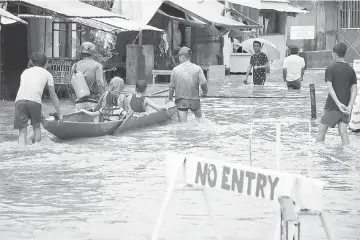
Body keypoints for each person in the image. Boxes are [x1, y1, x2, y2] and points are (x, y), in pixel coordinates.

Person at [14, 52, 63, 146]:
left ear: (31, 62)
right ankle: (37, 150)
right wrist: (59, 114)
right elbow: (53, 96)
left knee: (22, 131)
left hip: (19, 101)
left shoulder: (25, 72)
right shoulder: (47, 74)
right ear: (45, 63)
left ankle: (21, 149)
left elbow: (26, 92)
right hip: (35, 102)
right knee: (36, 128)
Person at [315, 42, 357, 146]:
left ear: (335, 54)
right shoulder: (351, 69)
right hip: (346, 108)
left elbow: (330, 87)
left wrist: (338, 103)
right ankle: (347, 153)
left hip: (333, 106)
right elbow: (354, 89)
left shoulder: (330, 68)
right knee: (343, 132)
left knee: (321, 131)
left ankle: (317, 153)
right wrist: (350, 106)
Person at [166, 46, 208, 123]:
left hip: (181, 102)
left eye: (179, 57)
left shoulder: (175, 70)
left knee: (183, 125)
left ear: (182, 57)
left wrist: (170, 99)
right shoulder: (197, 68)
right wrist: (205, 93)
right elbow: (204, 83)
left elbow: (171, 87)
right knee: (200, 120)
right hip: (194, 100)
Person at [71, 41, 106, 110]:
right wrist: (105, 99)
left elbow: (72, 85)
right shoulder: (97, 65)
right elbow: (99, 84)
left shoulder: (74, 66)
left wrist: (74, 100)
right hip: (93, 102)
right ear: (93, 52)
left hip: (79, 102)